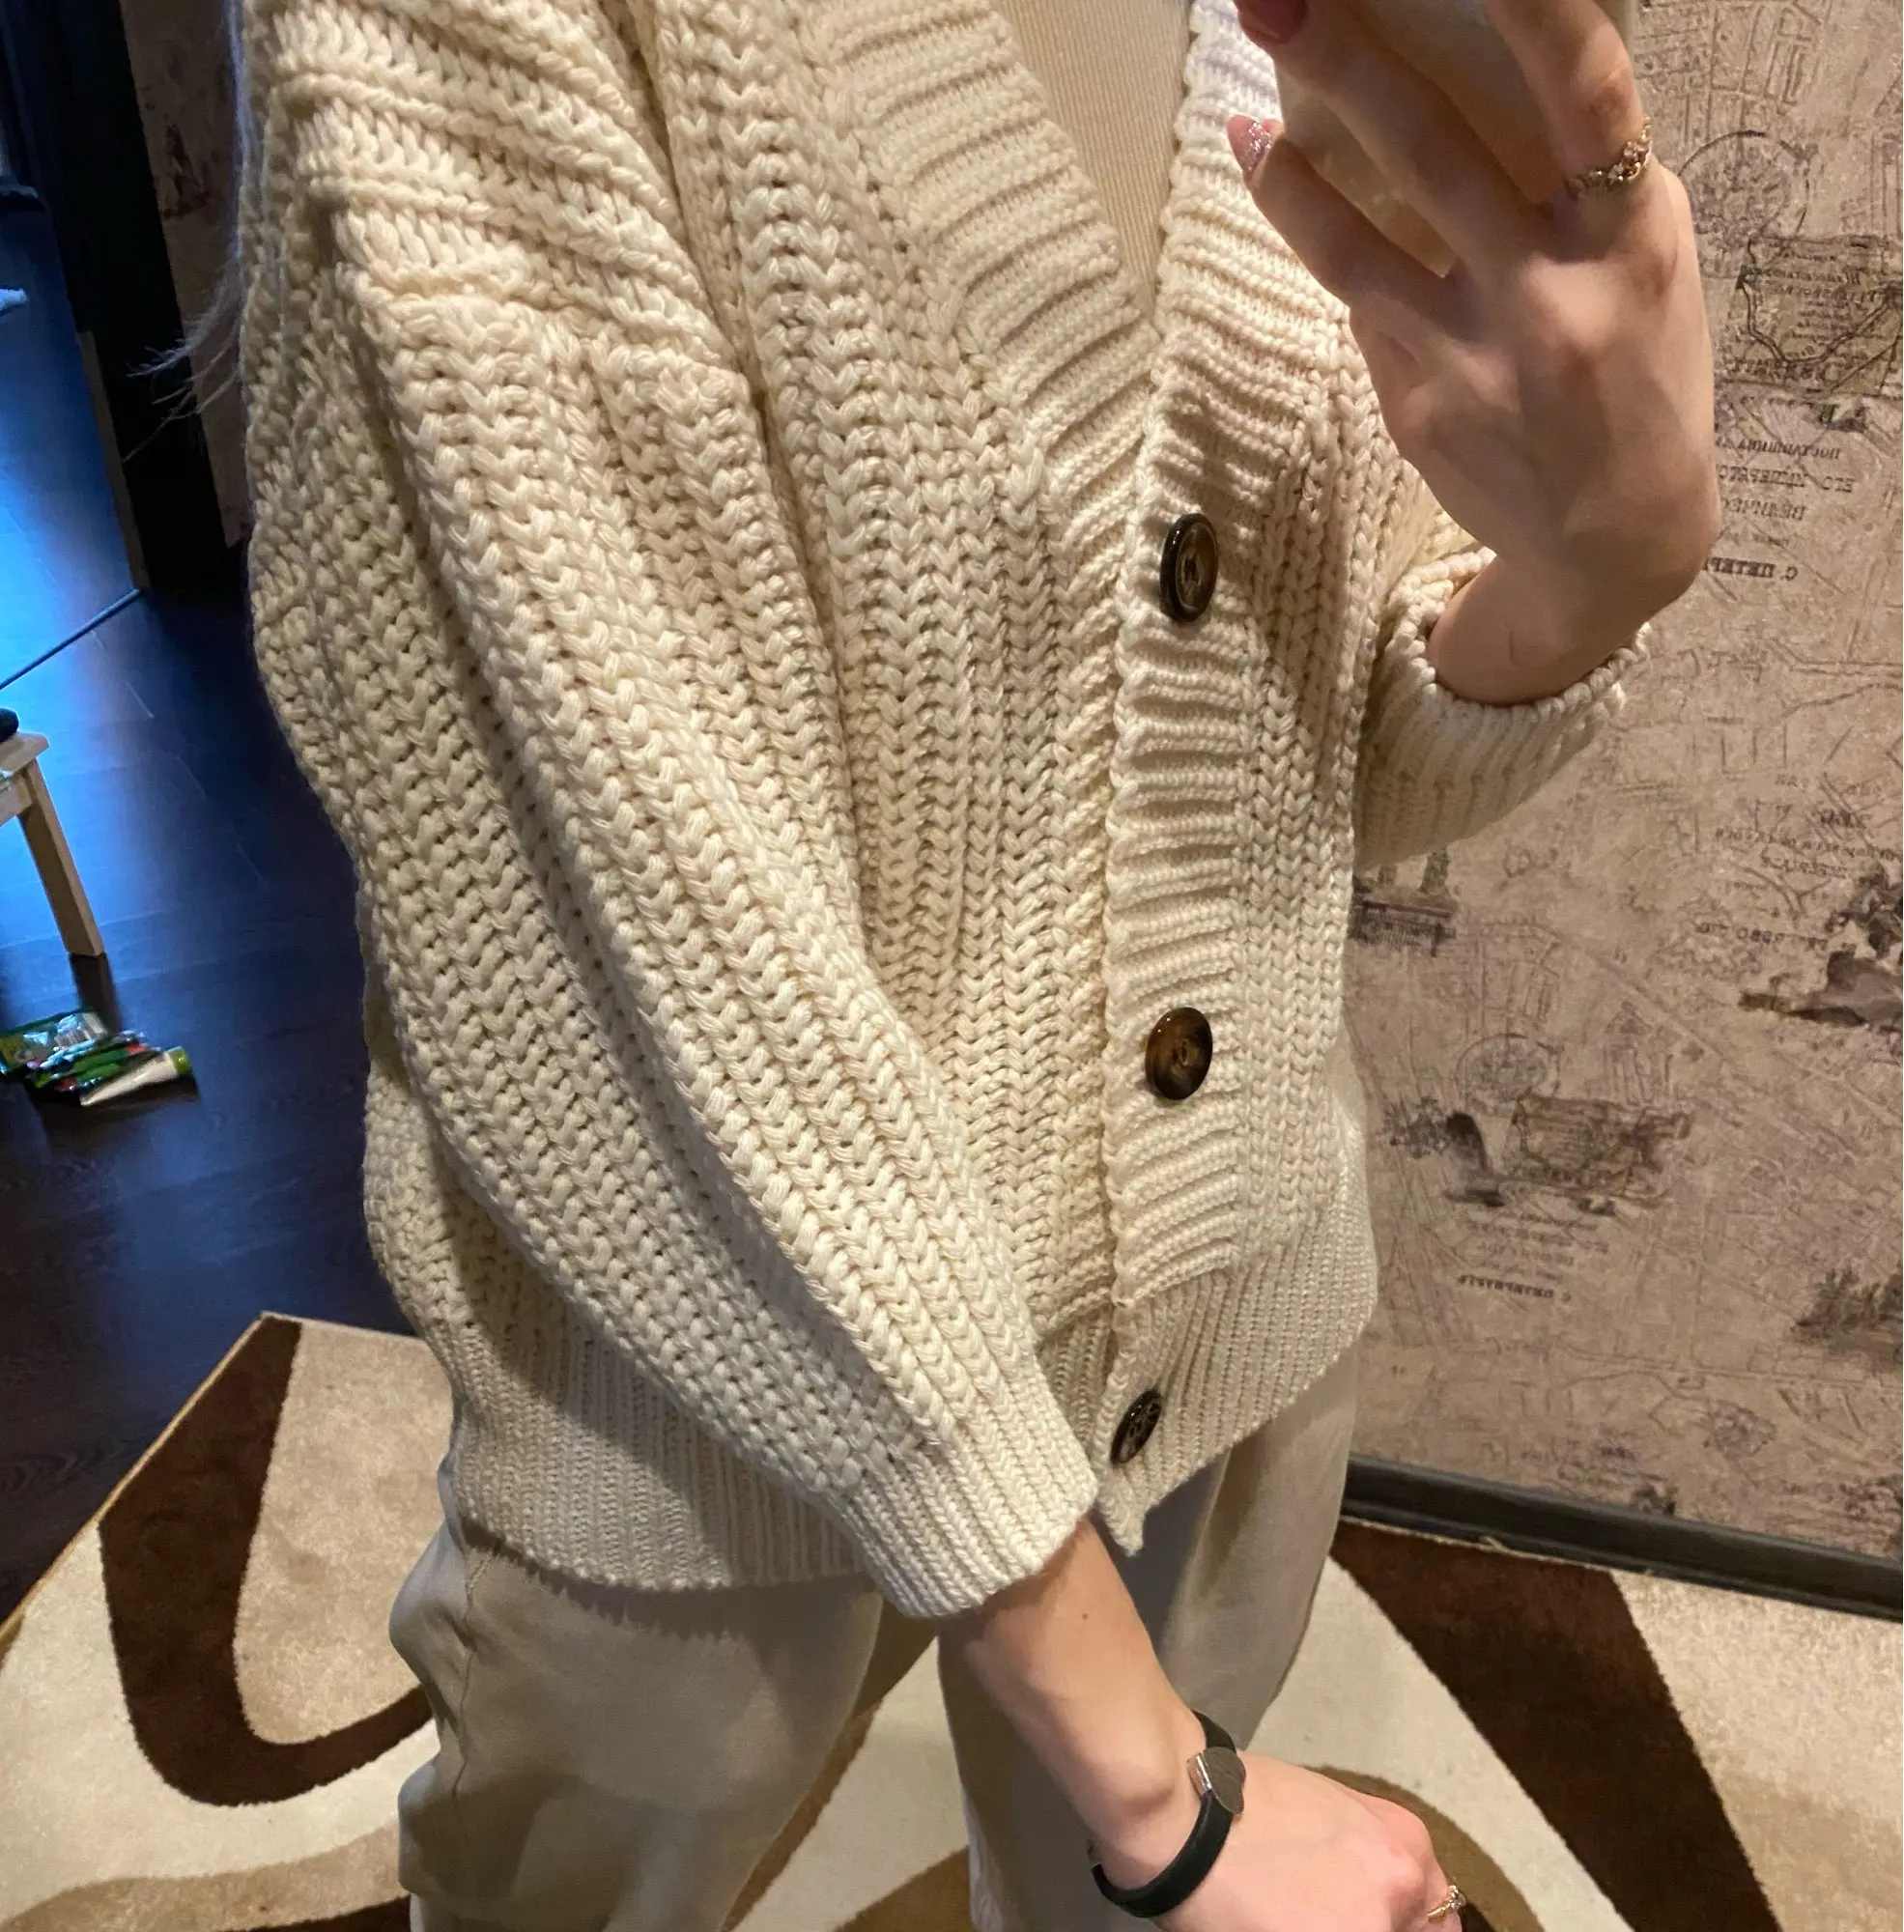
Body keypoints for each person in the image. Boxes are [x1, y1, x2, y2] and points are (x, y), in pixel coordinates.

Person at [230, 0, 1717, 1924]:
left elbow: (1328, 748)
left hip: (1220, 1307)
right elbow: (603, 894)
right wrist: (1164, 1791)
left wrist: (1590, 570)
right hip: (692, 1393)